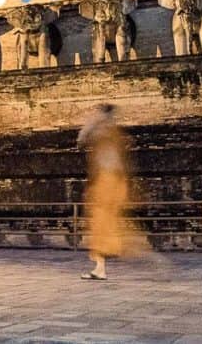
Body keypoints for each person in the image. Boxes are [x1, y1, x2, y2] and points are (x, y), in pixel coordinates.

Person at [77, 103, 132, 280]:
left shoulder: (106, 132)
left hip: (108, 182)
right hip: (109, 181)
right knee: (100, 226)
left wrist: (94, 121)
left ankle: (101, 266)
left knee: (102, 225)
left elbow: (82, 138)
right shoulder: (112, 132)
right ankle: (100, 268)